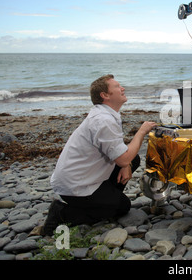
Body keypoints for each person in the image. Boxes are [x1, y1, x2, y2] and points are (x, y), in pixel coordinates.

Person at [41, 74, 156, 236]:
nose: (122, 88)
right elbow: (123, 157)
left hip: (85, 177)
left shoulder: (106, 114)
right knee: (123, 207)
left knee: (133, 159)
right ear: (105, 95)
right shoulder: (103, 120)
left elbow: (120, 153)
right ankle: (61, 213)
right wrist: (142, 132)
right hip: (75, 186)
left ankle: (106, 200)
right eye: (117, 86)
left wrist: (126, 164)